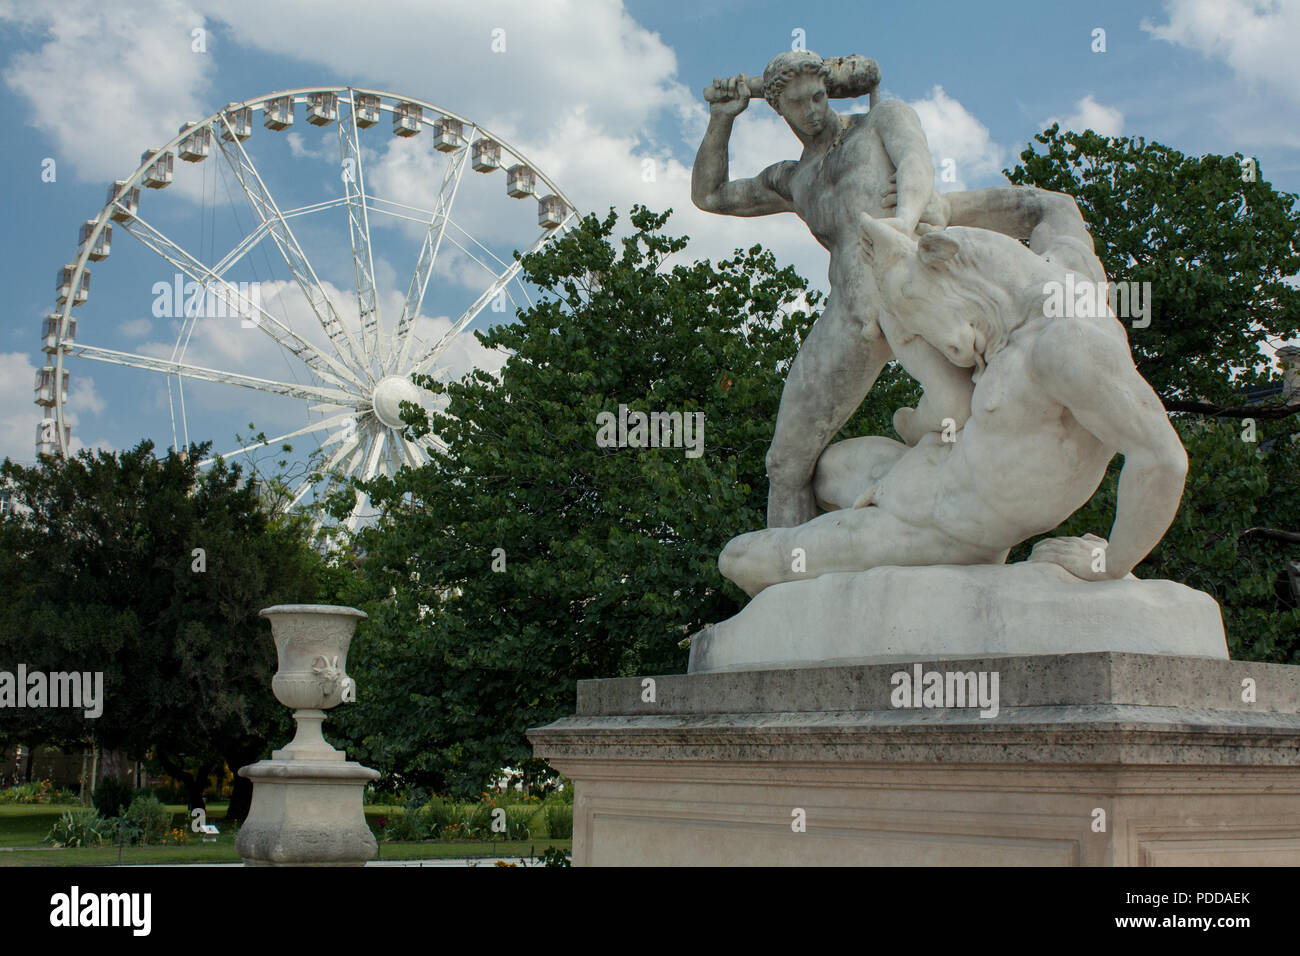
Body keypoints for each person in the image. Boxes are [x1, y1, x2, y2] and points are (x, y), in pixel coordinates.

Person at [693, 51, 1106, 528]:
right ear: (778, 108)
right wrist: (720, 120)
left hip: (916, 283)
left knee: (966, 414)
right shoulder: (791, 178)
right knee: (784, 464)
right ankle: (788, 576)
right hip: (853, 312)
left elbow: (915, 161)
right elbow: (710, 195)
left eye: (819, 96)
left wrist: (905, 222)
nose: (813, 111)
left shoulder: (880, 120)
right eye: (798, 104)